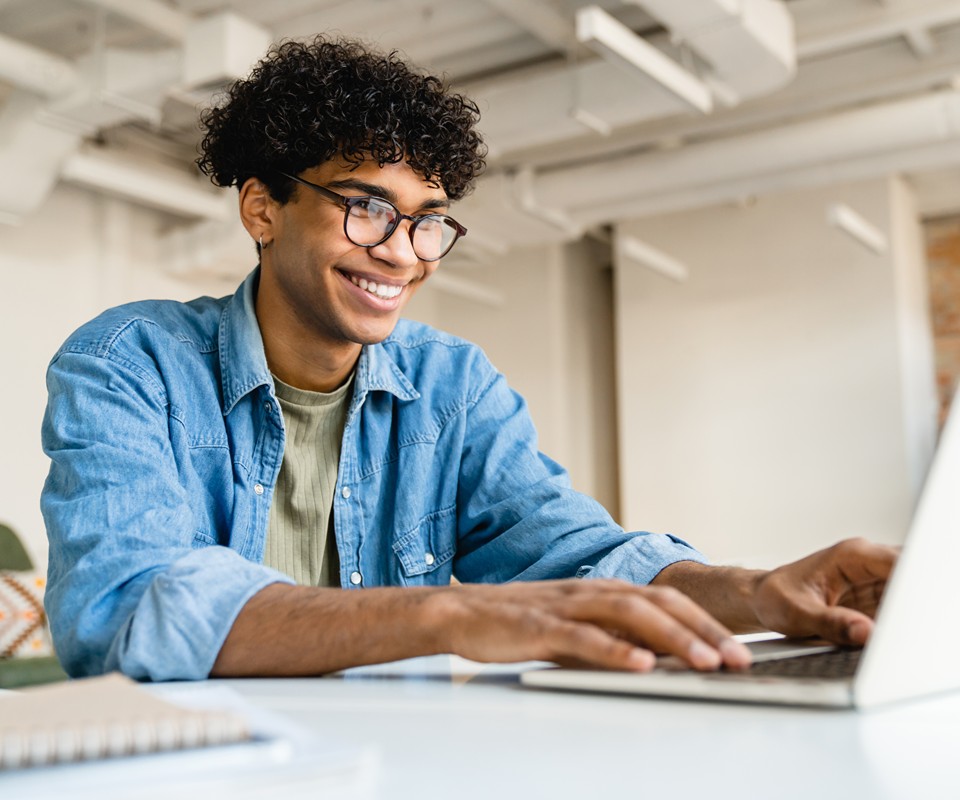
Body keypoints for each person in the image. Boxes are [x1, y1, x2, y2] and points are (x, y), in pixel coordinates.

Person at [41, 36, 896, 682]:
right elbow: (127, 610)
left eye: (427, 219)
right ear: (262, 209)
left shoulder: (451, 384)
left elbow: (575, 556)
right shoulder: (130, 362)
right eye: (366, 206)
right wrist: (450, 613)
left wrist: (761, 591)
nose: (403, 252)